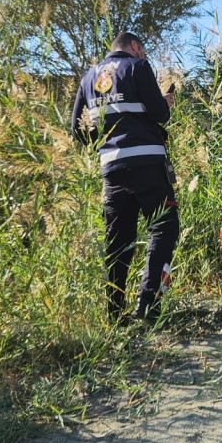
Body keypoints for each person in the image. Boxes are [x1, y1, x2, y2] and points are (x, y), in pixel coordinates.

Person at [70, 31, 177, 323]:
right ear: (134, 46)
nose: (144, 56)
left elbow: (77, 131)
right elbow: (159, 114)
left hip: (112, 169)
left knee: (118, 241)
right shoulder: (137, 67)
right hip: (148, 164)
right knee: (164, 228)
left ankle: (115, 315)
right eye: (142, 51)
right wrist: (165, 102)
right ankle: (148, 305)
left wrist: (106, 136)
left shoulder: (88, 77)